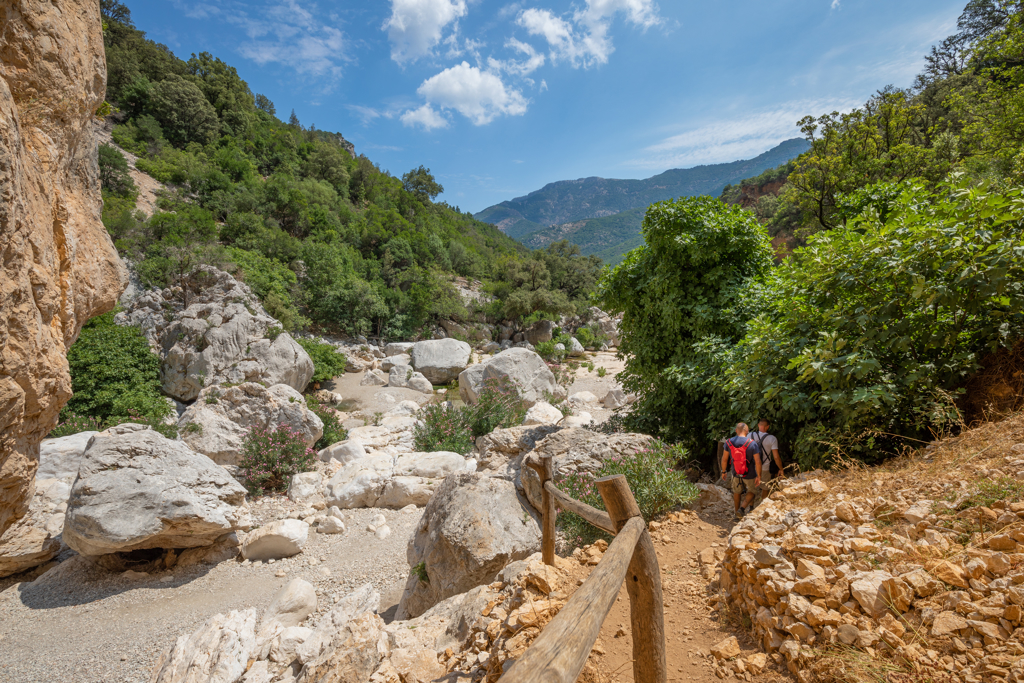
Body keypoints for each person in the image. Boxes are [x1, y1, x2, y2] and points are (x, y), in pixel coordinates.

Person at [720, 422, 761, 518]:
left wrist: (723, 471)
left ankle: (737, 515)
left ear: (735, 430)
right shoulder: (752, 443)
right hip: (749, 473)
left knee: (736, 492)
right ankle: (742, 509)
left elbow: (724, 459)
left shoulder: (728, 442)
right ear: (747, 431)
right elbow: (758, 462)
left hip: (735, 473)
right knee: (752, 491)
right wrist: (759, 476)